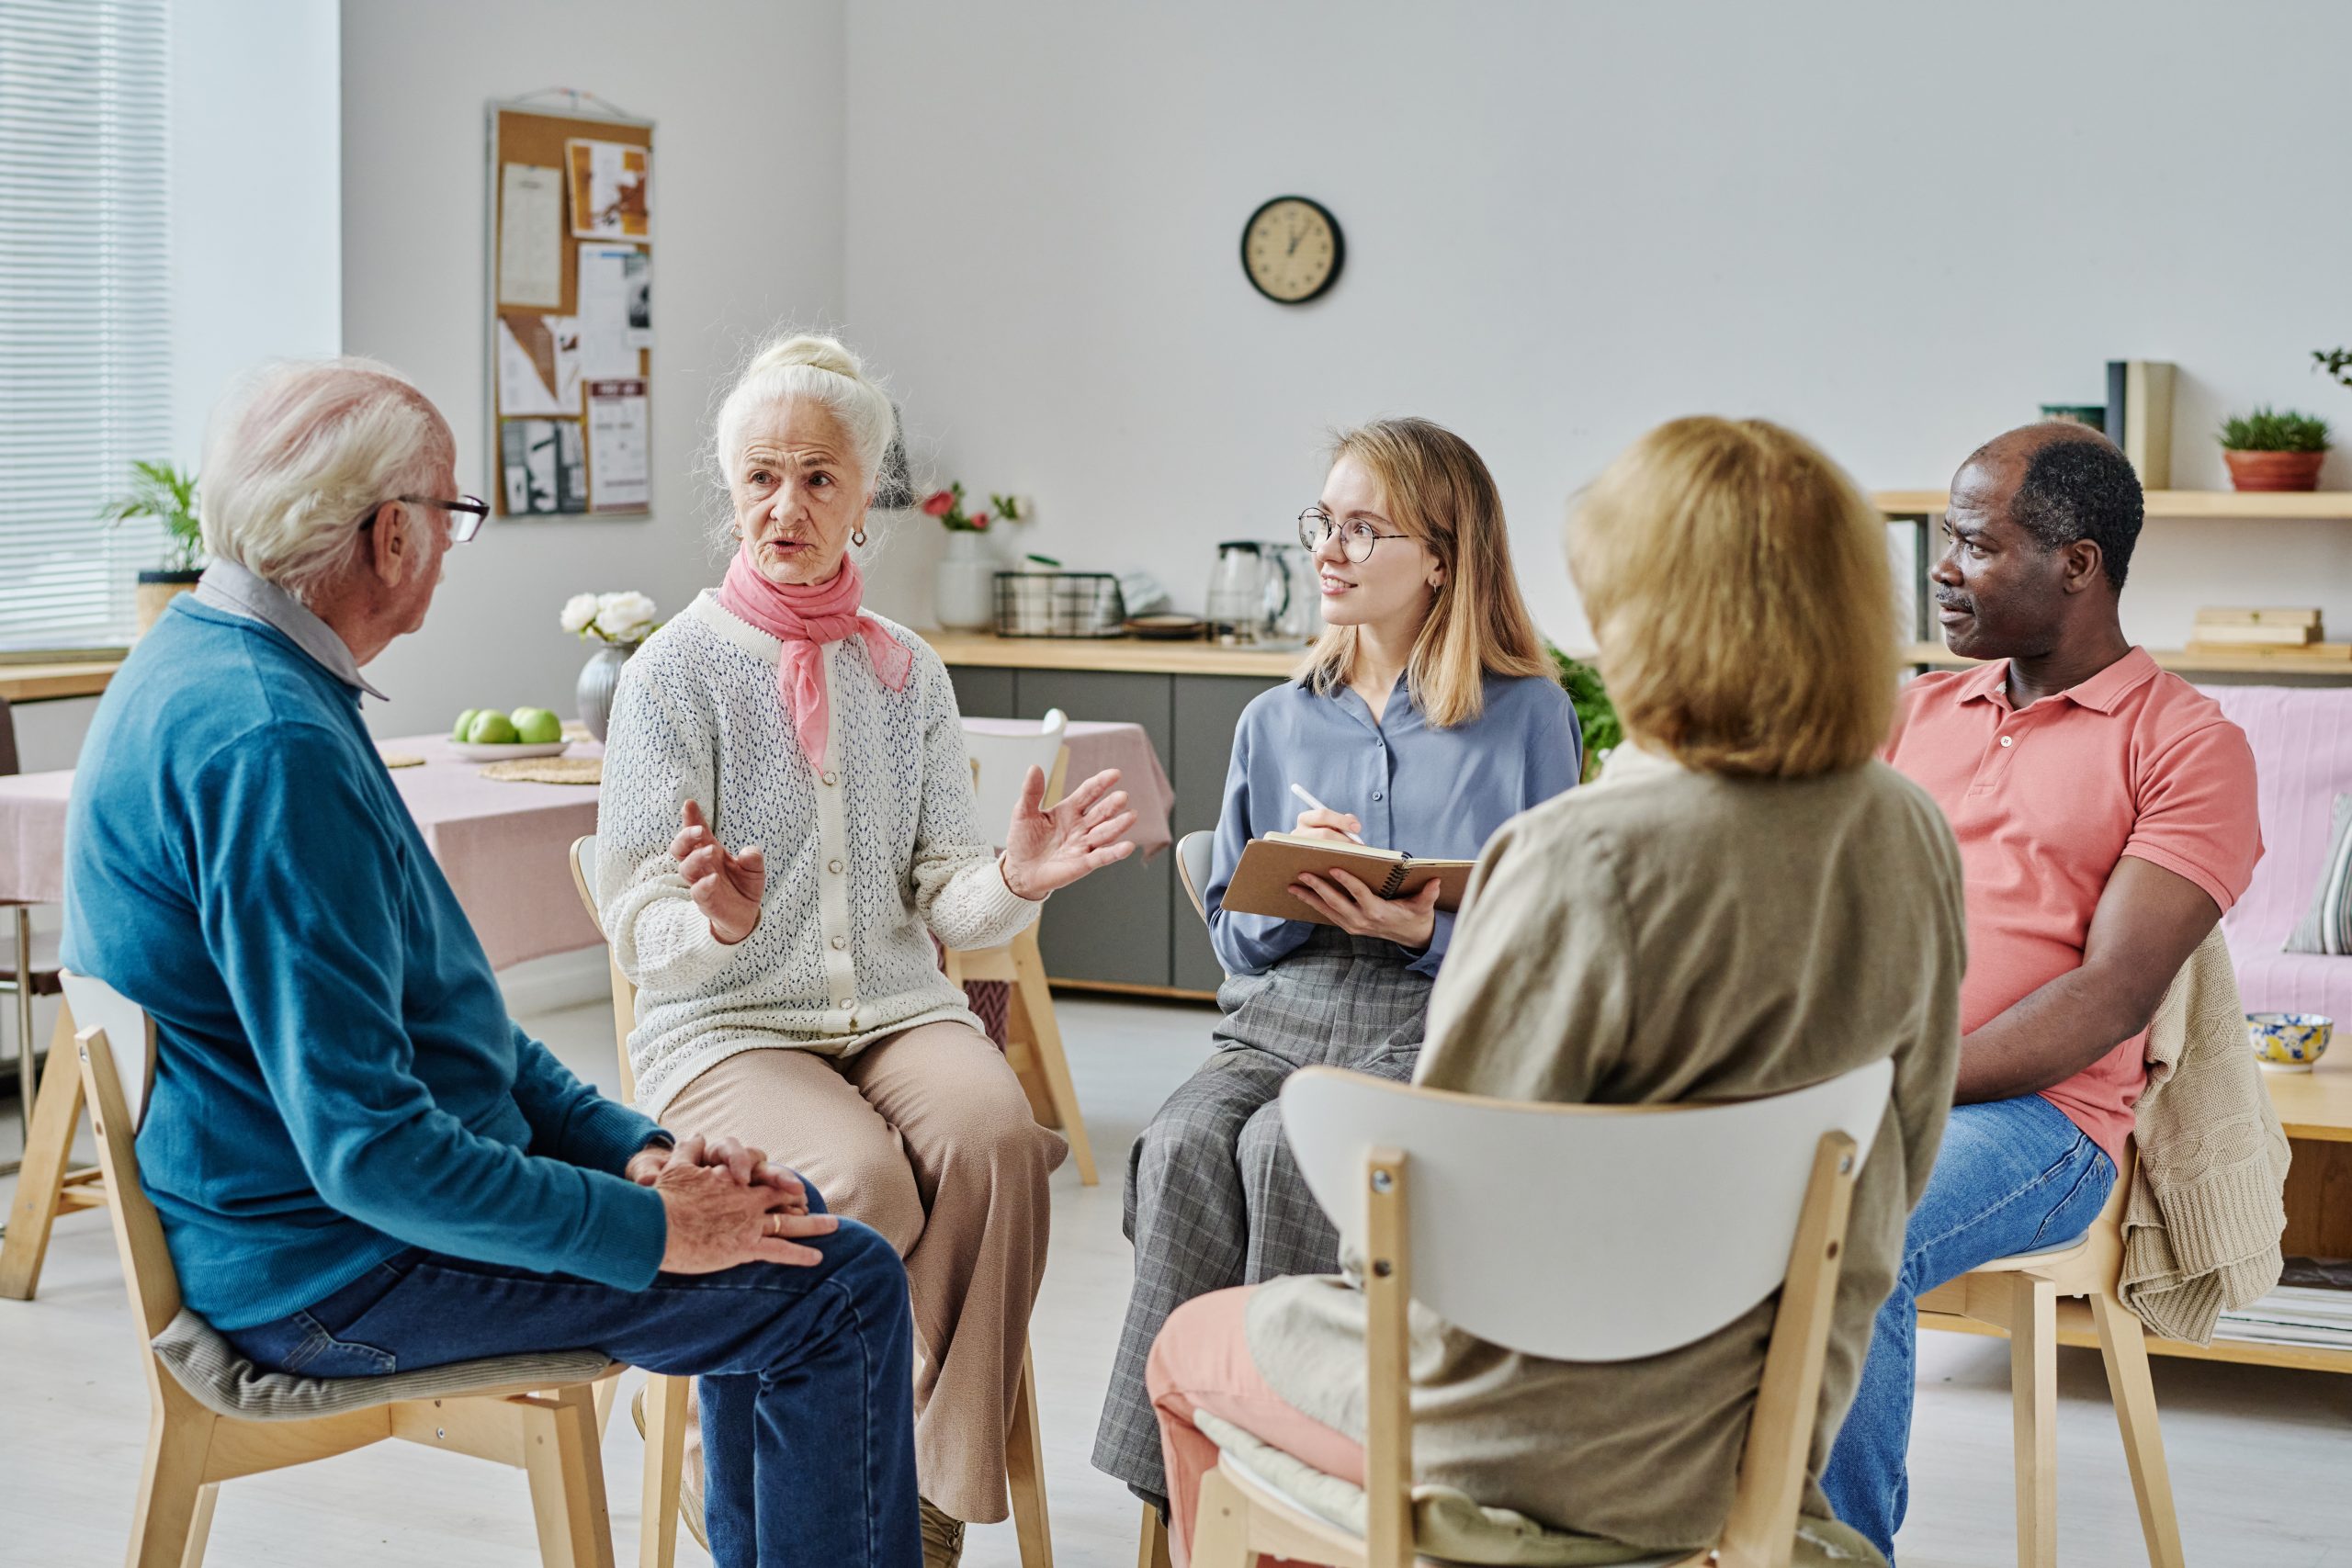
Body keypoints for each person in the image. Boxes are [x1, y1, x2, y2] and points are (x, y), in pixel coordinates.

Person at [61, 357, 920, 1568]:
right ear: (394, 535)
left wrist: (642, 1152)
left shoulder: (221, 666)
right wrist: (646, 1225)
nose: (455, 545)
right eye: (455, 515)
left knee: (786, 1228)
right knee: (837, 1282)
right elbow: (372, 1150)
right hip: (327, 1268)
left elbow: (455, 1030)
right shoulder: (272, 745)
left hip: (308, 1222)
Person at [1144, 416, 1970, 1568]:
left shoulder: (1585, 856)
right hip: (1763, 1420)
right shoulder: (1911, 833)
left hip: (1526, 1439)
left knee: (1188, 1344)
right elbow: (1905, 1151)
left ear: (1651, 621)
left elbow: (1447, 1226)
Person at [595, 333, 1135, 1567]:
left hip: (896, 1005)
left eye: (819, 478)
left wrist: (1012, 878)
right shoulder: (675, 670)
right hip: (724, 1022)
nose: (786, 504)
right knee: (868, 1185)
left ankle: (925, 1496)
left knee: (999, 1137)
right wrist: (710, 921)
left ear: (866, 498)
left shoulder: (908, 670)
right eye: (762, 476)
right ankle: (698, 1436)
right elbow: (633, 915)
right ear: (730, 490)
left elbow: (945, 899)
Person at [1094, 417, 1583, 1513]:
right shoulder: (1274, 722)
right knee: (1175, 1146)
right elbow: (1233, 935)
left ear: (1443, 560)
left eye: (1365, 529)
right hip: (1284, 1005)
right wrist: (1299, 884)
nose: (1330, 549)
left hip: (1441, 1016)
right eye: (1325, 521)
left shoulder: (1527, 716)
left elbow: (1555, 934)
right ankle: (1176, 1494)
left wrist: (1419, 931)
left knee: (1281, 1149)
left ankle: (1291, 1486)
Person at [1819, 423, 2264, 1560]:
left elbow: (2113, 995)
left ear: (2076, 563)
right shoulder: (1913, 713)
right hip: (1855, 1082)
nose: (1939, 567)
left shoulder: (2187, 745)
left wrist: (1897, 1083)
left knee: (1848, 1222)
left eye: (1970, 543)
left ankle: (1831, 1551)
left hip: (2043, 1123)